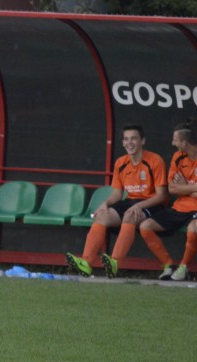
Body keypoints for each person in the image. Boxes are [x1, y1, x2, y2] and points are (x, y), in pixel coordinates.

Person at [65, 125, 167, 277]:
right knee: (102, 216)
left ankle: (115, 263)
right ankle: (86, 263)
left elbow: (161, 196)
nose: (129, 143)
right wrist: (105, 204)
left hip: (153, 204)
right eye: (126, 139)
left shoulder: (155, 160)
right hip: (130, 201)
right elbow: (118, 194)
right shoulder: (120, 162)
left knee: (129, 216)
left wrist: (139, 206)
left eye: (133, 138)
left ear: (143, 141)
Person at [138, 119, 197, 281]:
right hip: (180, 207)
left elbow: (179, 188)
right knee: (145, 226)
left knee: (193, 229)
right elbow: (171, 189)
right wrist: (192, 189)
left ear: (185, 142)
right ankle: (168, 265)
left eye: (175, 140)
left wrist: (184, 187)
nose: (173, 143)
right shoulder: (178, 157)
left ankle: (183, 267)